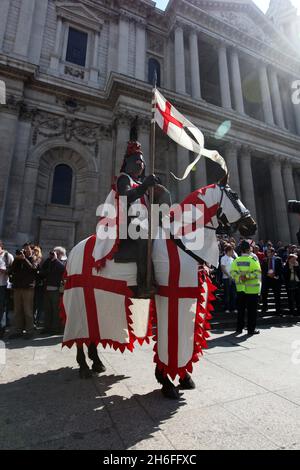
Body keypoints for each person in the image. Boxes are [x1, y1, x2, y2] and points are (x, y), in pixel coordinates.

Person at [114, 140, 162, 298]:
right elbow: (124, 198)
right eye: (137, 160)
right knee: (144, 235)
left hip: (144, 220)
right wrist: (143, 187)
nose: (141, 163)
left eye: (142, 161)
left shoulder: (141, 183)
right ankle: (143, 284)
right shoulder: (124, 178)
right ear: (128, 163)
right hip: (128, 221)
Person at [230, 240, 262, 336]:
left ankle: (239, 329)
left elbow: (232, 273)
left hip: (240, 289)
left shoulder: (236, 261)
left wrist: (240, 277)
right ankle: (251, 330)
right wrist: (247, 277)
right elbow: (257, 273)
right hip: (252, 290)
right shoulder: (253, 260)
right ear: (249, 249)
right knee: (252, 311)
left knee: (241, 310)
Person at [9, 243, 37, 339]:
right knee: (17, 310)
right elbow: (11, 270)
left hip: (28, 288)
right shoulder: (18, 260)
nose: (25, 251)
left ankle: (29, 331)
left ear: (31, 250)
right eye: (24, 249)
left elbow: (33, 269)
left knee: (28, 310)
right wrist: (17, 259)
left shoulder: (34, 258)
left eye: (27, 249)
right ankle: (18, 330)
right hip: (17, 287)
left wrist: (24, 259)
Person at [39, 249, 66, 335]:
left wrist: (56, 260)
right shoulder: (48, 261)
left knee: (55, 310)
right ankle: (47, 327)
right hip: (47, 289)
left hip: (56, 290)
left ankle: (55, 328)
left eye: (56, 253)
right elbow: (41, 271)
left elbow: (63, 269)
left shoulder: (62, 262)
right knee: (47, 309)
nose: (53, 254)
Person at [261, 247, 283, 315]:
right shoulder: (264, 260)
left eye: (269, 252)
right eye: (267, 252)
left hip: (275, 280)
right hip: (267, 280)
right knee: (264, 294)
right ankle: (264, 308)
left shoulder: (278, 259)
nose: (268, 254)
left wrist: (275, 275)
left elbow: (280, 269)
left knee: (277, 296)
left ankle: (278, 310)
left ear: (273, 253)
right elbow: (262, 270)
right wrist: (267, 274)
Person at [0, 241, 14, 338]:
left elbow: (12, 271)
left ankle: (1, 330)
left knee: (2, 308)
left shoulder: (7, 256)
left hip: (3, 285)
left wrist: (3, 271)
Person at [220, 245, 237, 313]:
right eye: (232, 251)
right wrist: (229, 275)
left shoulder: (232, 259)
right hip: (226, 278)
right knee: (227, 294)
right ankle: (227, 308)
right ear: (228, 251)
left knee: (233, 294)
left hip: (233, 278)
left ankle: (233, 308)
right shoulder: (223, 258)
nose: (233, 252)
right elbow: (223, 268)